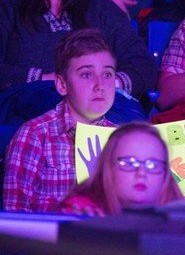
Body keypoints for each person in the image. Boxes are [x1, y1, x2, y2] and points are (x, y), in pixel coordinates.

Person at [0, 0, 156, 124]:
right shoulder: (6, 7)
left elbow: (143, 64)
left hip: (104, 108)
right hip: (24, 108)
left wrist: (106, 82)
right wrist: (48, 79)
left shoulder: (101, 7)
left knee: (132, 123)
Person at [3, 29, 118, 213]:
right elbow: (16, 213)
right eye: (86, 74)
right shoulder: (35, 135)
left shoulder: (123, 139)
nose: (100, 85)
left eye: (107, 74)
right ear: (62, 85)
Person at [58, 122, 183, 216]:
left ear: (165, 174)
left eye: (152, 165)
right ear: (108, 168)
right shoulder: (77, 212)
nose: (141, 173)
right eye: (129, 163)